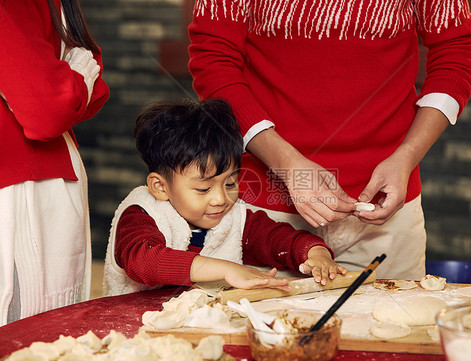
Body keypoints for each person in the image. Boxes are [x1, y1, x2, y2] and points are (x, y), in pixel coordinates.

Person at [187, 0, 471, 279]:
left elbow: (456, 52)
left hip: (389, 213)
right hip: (267, 218)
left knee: (392, 332)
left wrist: (407, 156)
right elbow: (213, 62)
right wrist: (288, 164)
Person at [103, 99, 347, 296]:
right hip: (137, 332)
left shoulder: (234, 217)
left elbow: (276, 239)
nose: (221, 198)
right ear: (160, 186)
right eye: (203, 189)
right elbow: (144, 260)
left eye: (230, 183)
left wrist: (314, 252)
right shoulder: (142, 213)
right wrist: (228, 270)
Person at [0, 0, 109, 325]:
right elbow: (47, 107)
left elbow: (90, 76)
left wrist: (67, 85)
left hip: (39, 171)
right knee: (32, 338)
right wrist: (74, 78)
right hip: (23, 180)